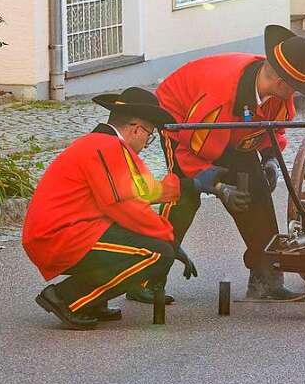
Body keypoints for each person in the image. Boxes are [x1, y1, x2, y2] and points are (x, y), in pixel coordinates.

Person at [151, 25, 305, 303]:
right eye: (297, 88)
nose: (298, 93)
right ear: (281, 82)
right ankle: (149, 278)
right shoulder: (218, 100)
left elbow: (273, 129)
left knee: (255, 190)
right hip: (182, 124)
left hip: (229, 130)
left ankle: (265, 280)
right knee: (184, 196)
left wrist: (269, 158)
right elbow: (192, 152)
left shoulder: (276, 94)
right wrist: (218, 186)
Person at [21, 87, 197, 330]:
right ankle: (67, 297)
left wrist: (186, 187)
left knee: (152, 246)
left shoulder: (102, 144)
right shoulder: (108, 148)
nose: (147, 144)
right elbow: (124, 205)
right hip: (61, 237)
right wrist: (170, 242)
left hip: (66, 232)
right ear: (137, 129)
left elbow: (139, 192)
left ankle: (93, 300)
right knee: (157, 253)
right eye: (149, 136)